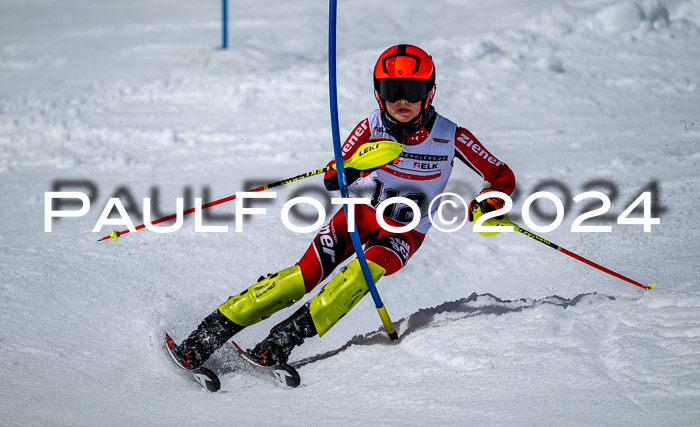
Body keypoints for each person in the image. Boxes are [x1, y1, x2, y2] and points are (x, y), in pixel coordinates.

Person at [170, 44, 516, 370]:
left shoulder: (450, 136)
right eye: (391, 89)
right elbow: (332, 176)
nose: (401, 101)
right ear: (378, 91)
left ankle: (278, 344)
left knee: (358, 277)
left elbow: (501, 174)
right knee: (299, 279)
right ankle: (202, 339)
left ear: (430, 91)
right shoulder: (371, 126)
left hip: (404, 233)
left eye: (411, 89)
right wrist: (351, 168)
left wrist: (491, 200)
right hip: (357, 216)